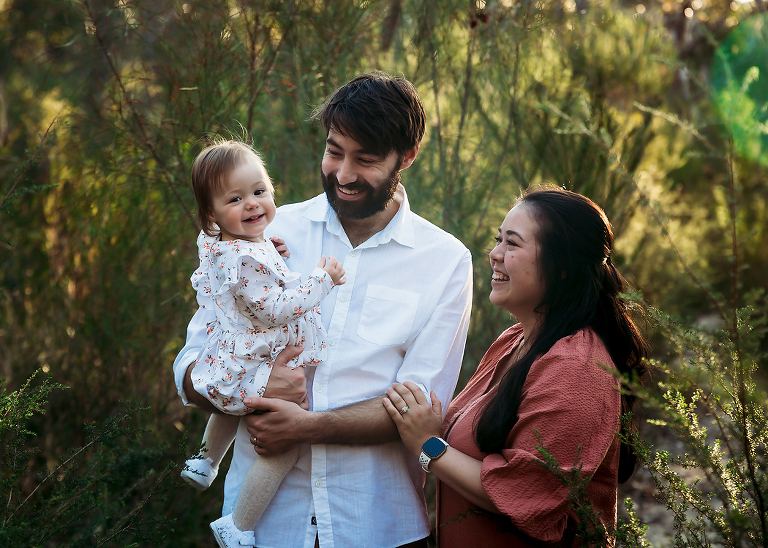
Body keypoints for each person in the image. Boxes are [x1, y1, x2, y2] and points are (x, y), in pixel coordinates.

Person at [172, 72, 474, 548]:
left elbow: (418, 405)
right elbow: (191, 366)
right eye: (334, 151)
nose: (344, 174)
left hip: (377, 529)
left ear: (407, 156)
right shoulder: (263, 233)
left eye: (366, 160)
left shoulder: (446, 261)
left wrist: (308, 428)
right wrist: (249, 384)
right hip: (266, 532)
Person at [383, 187, 651, 546]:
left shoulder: (577, 368)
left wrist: (429, 446)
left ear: (562, 268)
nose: (494, 254)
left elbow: (528, 495)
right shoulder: (516, 340)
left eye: (512, 243)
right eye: (499, 240)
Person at [179, 140, 346, 547]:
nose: (252, 204)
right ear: (211, 213)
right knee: (284, 448)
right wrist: (322, 280)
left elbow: (245, 270)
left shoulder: (225, 245)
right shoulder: (244, 258)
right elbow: (275, 309)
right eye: (235, 199)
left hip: (236, 358)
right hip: (260, 357)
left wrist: (269, 250)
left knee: (231, 404)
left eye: (259, 191)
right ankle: (238, 526)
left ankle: (205, 461)